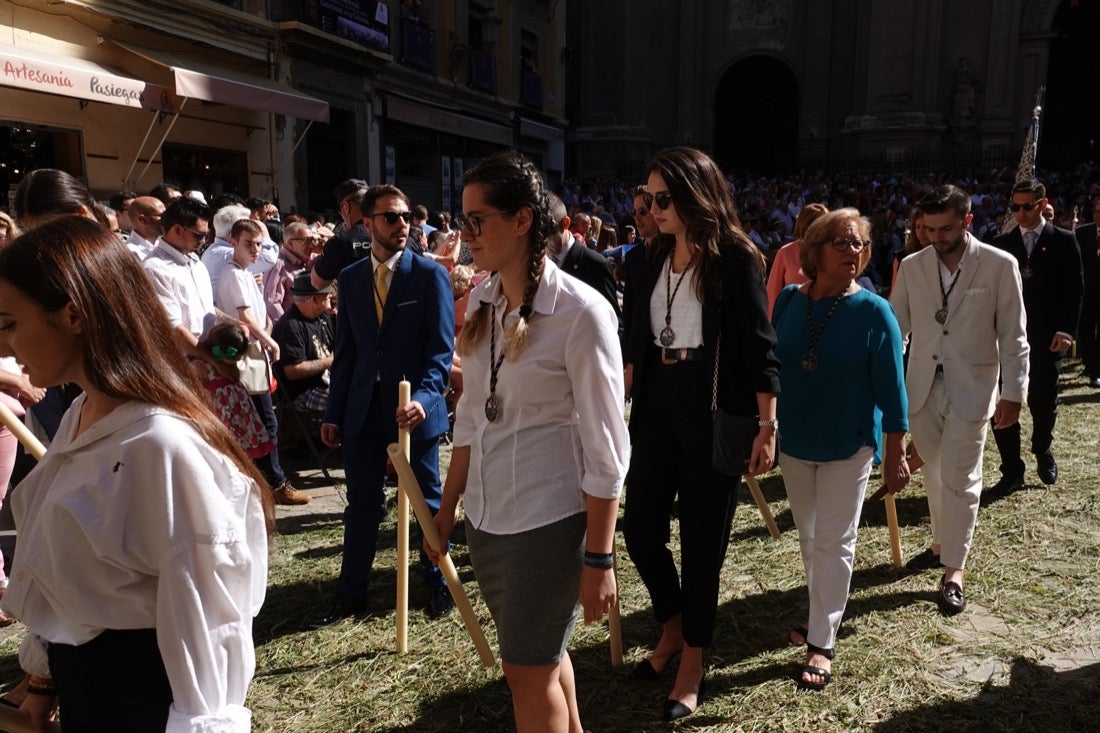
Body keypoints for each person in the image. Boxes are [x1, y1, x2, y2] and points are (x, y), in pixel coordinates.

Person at [0, 215, 270, 731]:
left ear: (74, 314)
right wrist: (43, 677)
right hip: (89, 691)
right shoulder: (83, 413)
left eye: (10, 323)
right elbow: (70, 571)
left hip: (142, 702)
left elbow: (208, 621)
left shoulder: (162, 446)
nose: (4, 346)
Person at [428, 151, 628, 733]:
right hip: (488, 520)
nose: (464, 236)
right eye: (460, 220)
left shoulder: (580, 313)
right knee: (542, 657)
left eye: (475, 221)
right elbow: (469, 417)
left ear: (521, 221)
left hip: (549, 519)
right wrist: (448, 508)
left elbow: (607, 447)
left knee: (523, 668)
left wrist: (599, 556)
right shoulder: (484, 301)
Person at [622, 147, 780, 721]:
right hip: (657, 403)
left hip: (711, 406)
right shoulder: (649, 256)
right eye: (647, 199)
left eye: (662, 199)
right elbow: (636, 331)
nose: (650, 209)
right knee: (639, 527)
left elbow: (761, 348)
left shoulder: (735, 257)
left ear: (693, 194)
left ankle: (693, 658)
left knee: (701, 542)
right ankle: (672, 624)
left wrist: (767, 423)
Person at [771, 208, 909, 690]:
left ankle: (822, 641)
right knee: (809, 536)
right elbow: (771, 367)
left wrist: (895, 450)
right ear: (815, 249)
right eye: (842, 243)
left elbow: (893, 389)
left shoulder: (875, 311)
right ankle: (818, 616)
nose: (853, 252)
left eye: (859, 245)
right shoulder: (788, 301)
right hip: (795, 440)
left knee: (835, 539)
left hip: (849, 445)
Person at [311, 184, 455, 627]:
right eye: (391, 217)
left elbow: (440, 352)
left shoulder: (429, 276)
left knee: (427, 500)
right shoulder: (352, 278)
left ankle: (437, 584)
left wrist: (426, 403)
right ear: (366, 222)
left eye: (407, 216)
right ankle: (351, 593)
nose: (402, 225)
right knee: (361, 505)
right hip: (362, 409)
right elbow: (348, 352)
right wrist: (334, 412)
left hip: (412, 411)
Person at [890, 184, 1029, 613]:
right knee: (934, 471)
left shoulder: (999, 264)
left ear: (967, 221)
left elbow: (1013, 334)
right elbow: (897, 327)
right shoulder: (912, 266)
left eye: (945, 228)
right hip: (921, 388)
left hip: (974, 387)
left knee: (963, 477)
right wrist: (886, 383)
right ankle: (938, 542)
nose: (936, 236)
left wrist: (1014, 393)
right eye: (929, 229)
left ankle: (954, 569)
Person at [988, 180, 1083, 494]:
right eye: (1015, 207)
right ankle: (1012, 469)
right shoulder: (1002, 243)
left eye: (1027, 206)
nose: (1021, 213)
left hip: (1047, 337)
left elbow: (1074, 290)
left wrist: (1067, 330)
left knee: (1043, 402)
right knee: (1002, 403)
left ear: (1043, 204)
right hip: (1007, 338)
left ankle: (1042, 448)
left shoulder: (1064, 241)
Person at [215, 219, 309, 506]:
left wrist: (267, 334)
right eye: (249, 244)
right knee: (263, 420)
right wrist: (270, 340)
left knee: (264, 419)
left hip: (257, 351)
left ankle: (269, 480)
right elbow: (245, 317)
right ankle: (275, 482)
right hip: (247, 354)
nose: (256, 250)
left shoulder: (246, 273)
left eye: (258, 244)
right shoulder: (232, 274)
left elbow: (260, 314)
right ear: (233, 241)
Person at [194, 319, 276, 460]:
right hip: (221, 413)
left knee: (240, 451)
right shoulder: (201, 365)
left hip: (238, 413)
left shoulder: (228, 366)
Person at [272, 273, 336, 413]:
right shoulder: (291, 326)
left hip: (327, 382)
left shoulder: (322, 316)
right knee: (341, 403)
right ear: (314, 299)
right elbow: (293, 371)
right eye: (327, 295)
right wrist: (329, 362)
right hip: (301, 392)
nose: (330, 296)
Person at [765, 203, 829, 315]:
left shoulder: (832, 253)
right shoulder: (785, 252)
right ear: (804, 225)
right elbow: (772, 295)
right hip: (791, 321)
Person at [1074, 196, 1100, 389]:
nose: (1098, 215)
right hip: (1087, 290)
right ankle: (1088, 363)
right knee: (1086, 329)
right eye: (1096, 212)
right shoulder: (1082, 233)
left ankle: (1095, 370)